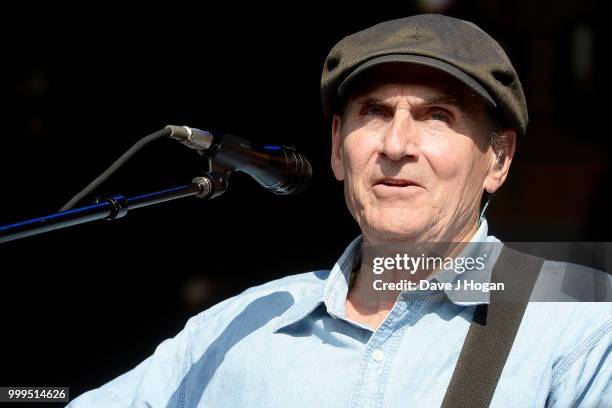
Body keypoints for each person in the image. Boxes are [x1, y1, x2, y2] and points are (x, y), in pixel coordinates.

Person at [69, 14, 611, 407]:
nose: (397, 145)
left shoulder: (579, 326)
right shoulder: (239, 326)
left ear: (499, 157)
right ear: (336, 146)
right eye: (374, 113)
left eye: (437, 116)